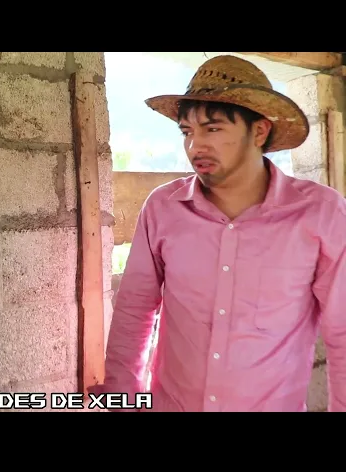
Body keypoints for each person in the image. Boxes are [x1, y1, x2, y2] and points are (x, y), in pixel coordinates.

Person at [96, 55, 346, 412]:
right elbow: (133, 314)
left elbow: (343, 334)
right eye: (187, 132)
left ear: (259, 131)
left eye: (212, 129)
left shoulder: (321, 214)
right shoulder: (163, 208)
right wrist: (122, 400)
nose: (195, 146)